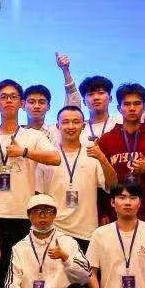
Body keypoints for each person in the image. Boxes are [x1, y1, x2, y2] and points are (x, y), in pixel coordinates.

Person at [0, 79, 60, 288]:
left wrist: (24, 152)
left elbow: (55, 158)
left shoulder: (34, 136)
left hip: (24, 215)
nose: (8, 101)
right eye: (3, 97)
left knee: (22, 273)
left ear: (21, 103)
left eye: (13, 97)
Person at [35, 105, 117, 253]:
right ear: (57, 126)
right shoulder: (48, 157)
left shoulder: (93, 155)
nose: (70, 126)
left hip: (86, 232)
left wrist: (103, 159)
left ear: (83, 126)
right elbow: (39, 197)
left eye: (76, 122)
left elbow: (112, 185)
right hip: (54, 232)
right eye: (65, 122)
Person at [95, 83, 145, 227]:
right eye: (127, 104)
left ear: (144, 107)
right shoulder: (106, 140)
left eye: (137, 103)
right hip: (114, 217)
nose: (132, 108)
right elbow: (98, 181)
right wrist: (102, 212)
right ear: (119, 108)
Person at [5, 194, 92, 288]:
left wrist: (65, 258)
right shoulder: (19, 248)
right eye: (37, 211)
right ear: (29, 215)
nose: (42, 215)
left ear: (54, 214)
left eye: (47, 211)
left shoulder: (68, 242)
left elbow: (86, 276)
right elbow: (12, 285)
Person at [77, 60, 145, 140]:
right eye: (91, 94)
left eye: (101, 93)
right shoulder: (77, 128)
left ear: (110, 98)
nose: (96, 97)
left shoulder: (125, 119)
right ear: (84, 102)